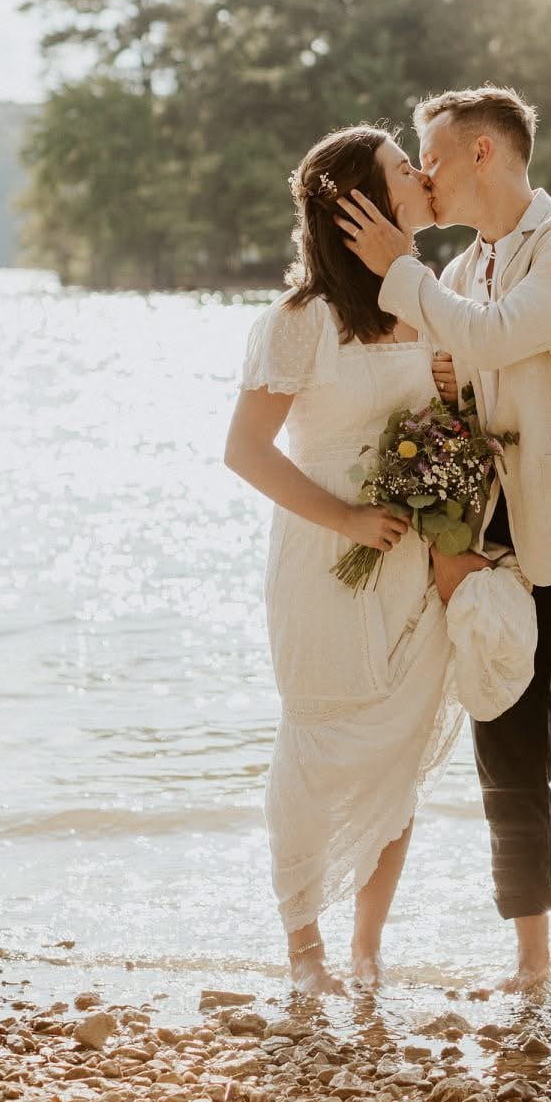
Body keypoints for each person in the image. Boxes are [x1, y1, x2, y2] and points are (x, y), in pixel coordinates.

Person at [336, 84, 551, 1005]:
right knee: (508, 757)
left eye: (429, 155)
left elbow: (502, 336)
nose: (422, 173)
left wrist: (404, 271)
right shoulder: (469, 269)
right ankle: (532, 960)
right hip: (492, 553)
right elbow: (474, 373)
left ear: (482, 153)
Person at [223, 125, 464, 995]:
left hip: (410, 558)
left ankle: (367, 952)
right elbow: (245, 451)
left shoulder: (428, 298)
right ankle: (305, 951)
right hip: (325, 554)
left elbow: (459, 408)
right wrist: (348, 517)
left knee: (398, 750)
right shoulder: (301, 321)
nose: (424, 173)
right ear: (362, 201)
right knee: (319, 744)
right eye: (406, 168)